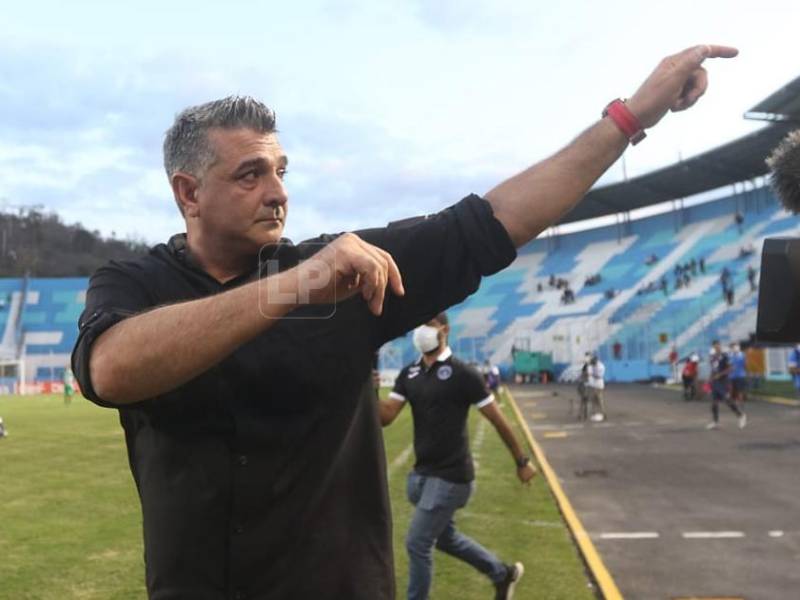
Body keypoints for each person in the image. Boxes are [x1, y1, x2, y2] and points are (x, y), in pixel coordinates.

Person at [70, 44, 736, 599]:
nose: (278, 192)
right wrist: (291, 288)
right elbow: (111, 369)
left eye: (280, 170)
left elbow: (493, 222)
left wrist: (629, 117)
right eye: (250, 174)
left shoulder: (348, 275)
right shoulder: (137, 283)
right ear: (188, 192)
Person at [378, 313, 537, 600]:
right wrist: (369, 389)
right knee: (445, 538)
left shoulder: (464, 374)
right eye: (420, 323)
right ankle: (502, 574)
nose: (421, 330)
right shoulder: (409, 373)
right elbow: (386, 416)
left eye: (428, 324)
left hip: (452, 475)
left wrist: (521, 461)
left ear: (444, 331)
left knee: (417, 542)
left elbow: (499, 421)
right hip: (421, 476)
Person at [706, 340, 746, 430]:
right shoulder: (712, 358)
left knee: (727, 400)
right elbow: (713, 370)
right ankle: (715, 422)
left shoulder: (725, 356)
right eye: (714, 346)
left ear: (720, 346)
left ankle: (741, 416)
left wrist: (720, 375)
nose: (716, 348)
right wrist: (709, 379)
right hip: (715, 383)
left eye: (718, 346)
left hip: (723, 382)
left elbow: (731, 368)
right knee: (714, 403)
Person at [586, 353, 607, 421]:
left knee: (599, 400)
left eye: (593, 362)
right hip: (593, 385)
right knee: (593, 400)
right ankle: (594, 414)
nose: (592, 364)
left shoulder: (600, 367)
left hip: (598, 385)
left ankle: (603, 413)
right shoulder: (592, 365)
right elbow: (589, 369)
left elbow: (598, 376)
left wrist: (591, 374)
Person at [577, 352, 592, 421]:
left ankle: (581, 414)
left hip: (583, 386)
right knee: (586, 400)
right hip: (586, 386)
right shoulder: (588, 367)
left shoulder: (585, 367)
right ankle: (585, 415)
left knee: (583, 401)